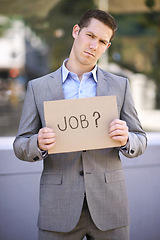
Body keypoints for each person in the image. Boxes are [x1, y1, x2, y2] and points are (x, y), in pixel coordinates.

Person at [13, 9, 147, 240]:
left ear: (107, 47)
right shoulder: (39, 88)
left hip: (109, 207)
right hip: (58, 208)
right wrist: (38, 143)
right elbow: (20, 144)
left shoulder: (120, 86)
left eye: (103, 41)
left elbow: (140, 139)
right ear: (76, 31)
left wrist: (127, 139)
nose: (94, 45)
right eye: (90, 36)